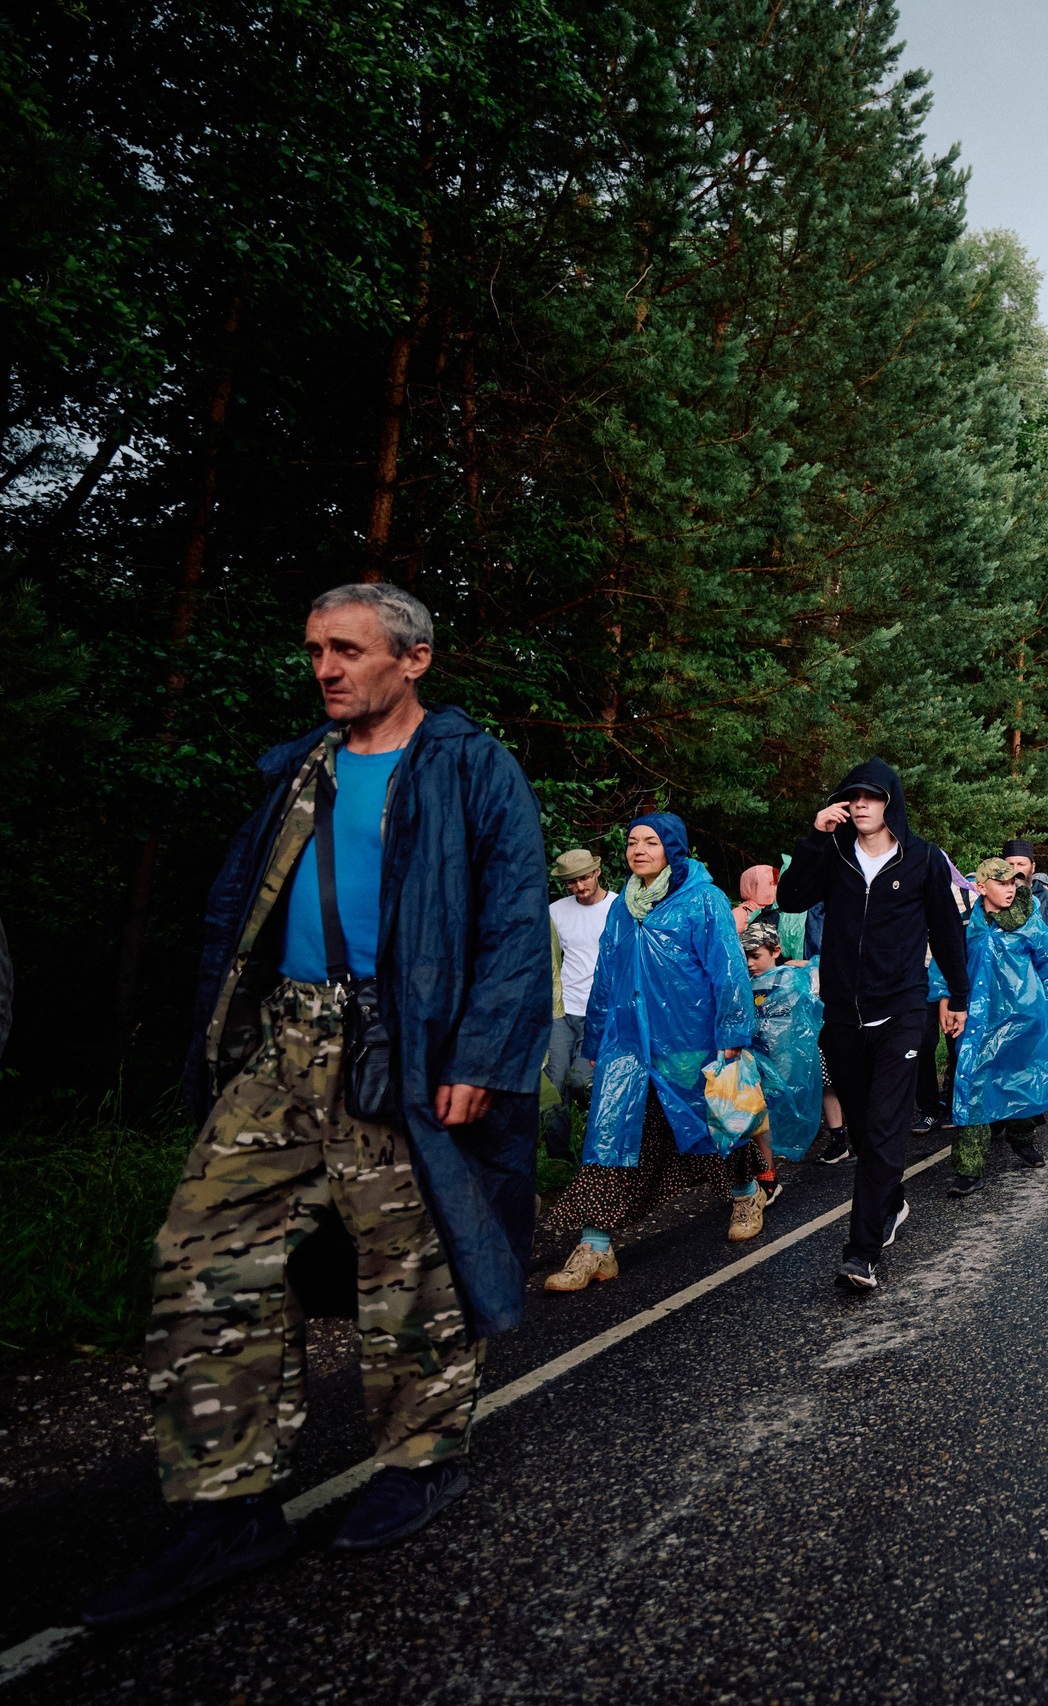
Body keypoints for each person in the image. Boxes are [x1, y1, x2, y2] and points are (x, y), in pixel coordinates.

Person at [86, 583, 547, 1628]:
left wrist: (481, 1052)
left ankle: (421, 1458)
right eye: (314, 650)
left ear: (412, 658)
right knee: (202, 1249)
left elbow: (517, 923)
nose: (326, 667)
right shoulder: (302, 765)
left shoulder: (471, 766)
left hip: (402, 1044)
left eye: (346, 648)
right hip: (284, 1043)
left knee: (408, 1261)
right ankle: (229, 1498)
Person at [777, 759, 971, 1292]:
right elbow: (790, 899)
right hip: (842, 1015)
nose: (860, 804)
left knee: (886, 1127)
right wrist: (814, 838)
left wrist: (959, 994)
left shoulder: (924, 859)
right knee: (864, 1132)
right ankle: (890, 1200)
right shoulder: (834, 855)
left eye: (871, 796)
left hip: (902, 1011)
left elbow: (947, 929)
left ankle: (861, 1252)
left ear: (890, 802)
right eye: (851, 796)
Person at [541, 813, 758, 1281]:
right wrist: (596, 1038)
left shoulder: (703, 899)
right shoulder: (623, 906)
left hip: (688, 1040)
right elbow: (607, 976)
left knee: (712, 1122)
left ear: (672, 850)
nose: (639, 850)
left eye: (651, 842)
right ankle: (595, 1247)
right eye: (632, 842)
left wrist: (733, 1035)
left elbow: (728, 969)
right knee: (608, 1134)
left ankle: (745, 1195)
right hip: (627, 1042)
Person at [934, 857, 1048, 1195]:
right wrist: (944, 1002)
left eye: (1014, 883)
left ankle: (1022, 1138)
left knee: (1021, 1081)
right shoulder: (965, 923)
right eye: (1002, 883)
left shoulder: (1029, 922)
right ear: (981, 887)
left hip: (1024, 1020)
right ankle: (969, 1169)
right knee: (972, 1086)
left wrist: (1046, 1009)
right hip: (978, 1020)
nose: (1010, 889)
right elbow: (944, 965)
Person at [544, 847, 613, 1159]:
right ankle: (559, 1157)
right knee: (553, 1082)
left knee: (580, 1081)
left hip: (599, 1011)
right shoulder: (556, 911)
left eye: (584, 878)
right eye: (572, 882)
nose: (580, 887)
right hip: (562, 1009)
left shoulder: (618, 908)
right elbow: (549, 960)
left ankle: (596, 1152)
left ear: (597, 872)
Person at [743, 920, 825, 1164]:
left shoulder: (791, 979)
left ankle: (772, 1153)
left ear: (776, 951)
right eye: (746, 956)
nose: (749, 963)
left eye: (756, 956)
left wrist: (811, 965)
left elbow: (820, 981)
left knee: (781, 1099)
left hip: (784, 1054)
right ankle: (766, 1153)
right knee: (762, 1105)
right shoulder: (747, 983)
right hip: (757, 1056)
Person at [1005, 840, 1048, 949]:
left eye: (1021, 864)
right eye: (1010, 864)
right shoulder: (995, 898)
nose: (1015, 870)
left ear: (1032, 867)